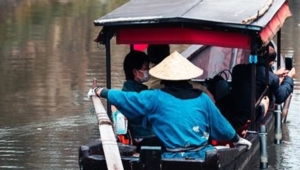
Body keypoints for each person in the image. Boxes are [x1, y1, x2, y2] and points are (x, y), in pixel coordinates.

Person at [90, 52, 251, 158]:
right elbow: (222, 126)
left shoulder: (155, 97)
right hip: (201, 156)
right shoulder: (203, 98)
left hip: (172, 157)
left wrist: (100, 91)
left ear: (164, 79)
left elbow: (125, 98)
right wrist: (237, 139)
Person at [225, 42, 295, 130]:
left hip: (231, 112)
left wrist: (274, 75)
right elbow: (280, 97)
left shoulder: (237, 69)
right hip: (248, 118)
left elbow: (256, 77)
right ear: (271, 62)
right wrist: (289, 78)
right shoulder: (271, 78)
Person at [120, 50, 154, 140]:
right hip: (143, 137)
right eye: (146, 68)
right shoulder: (135, 94)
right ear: (135, 72)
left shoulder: (128, 89)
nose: (148, 71)